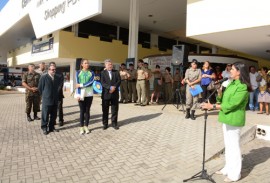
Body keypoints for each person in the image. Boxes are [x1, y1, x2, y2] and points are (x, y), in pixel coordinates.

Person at [201, 62, 251, 182]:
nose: (230, 71)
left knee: (234, 147)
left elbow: (231, 104)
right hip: (226, 118)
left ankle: (235, 174)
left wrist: (211, 106)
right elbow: (222, 100)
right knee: (228, 146)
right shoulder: (231, 83)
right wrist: (219, 91)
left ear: (239, 71)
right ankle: (227, 168)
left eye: (232, 69)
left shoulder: (242, 87)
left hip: (234, 119)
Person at [38, 63, 61, 135]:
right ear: (48, 70)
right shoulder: (44, 77)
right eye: (52, 69)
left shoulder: (57, 77)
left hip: (55, 99)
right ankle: (44, 127)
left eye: (55, 69)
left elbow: (58, 87)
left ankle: (51, 127)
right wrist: (45, 95)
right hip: (47, 99)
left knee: (53, 115)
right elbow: (40, 88)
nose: (54, 71)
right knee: (45, 114)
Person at [74, 59, 95, 135]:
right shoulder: (78, 72)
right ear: (82, 64)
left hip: (89, 94)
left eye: (88, 63)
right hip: (81, 94)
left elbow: (91, 82)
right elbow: (77, 84)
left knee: (87, 110)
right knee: (82, 111)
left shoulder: (91, 72)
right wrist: (78, 94)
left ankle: (86, 126)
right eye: (85, 63)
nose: (87, 64)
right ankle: (81, 127)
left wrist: (81, 85)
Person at [100, 59, 121, 130]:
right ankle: (105, 124)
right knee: (105, 110)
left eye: (111, 64)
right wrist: (110, 87)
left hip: (114, 94)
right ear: (105, 65)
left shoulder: (116, 72)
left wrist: (114, 87)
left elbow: (119, 81)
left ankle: (114, 123)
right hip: (106, 94)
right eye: (109, 64)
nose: (110, 66)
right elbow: (102, 82)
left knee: (114, 109)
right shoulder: (103, 72)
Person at [49, 62, 65, 126]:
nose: (53, 67)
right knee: (52, 108)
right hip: (50, 95)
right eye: (51, 66)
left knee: (59, 108)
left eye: (54, 66)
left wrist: (56, 92)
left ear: (55, 66)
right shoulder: (48, 74)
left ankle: (61, 120)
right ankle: (53, 120)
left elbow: (61, 84)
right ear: (49, 67)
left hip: (58, 95)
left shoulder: (60, 74)